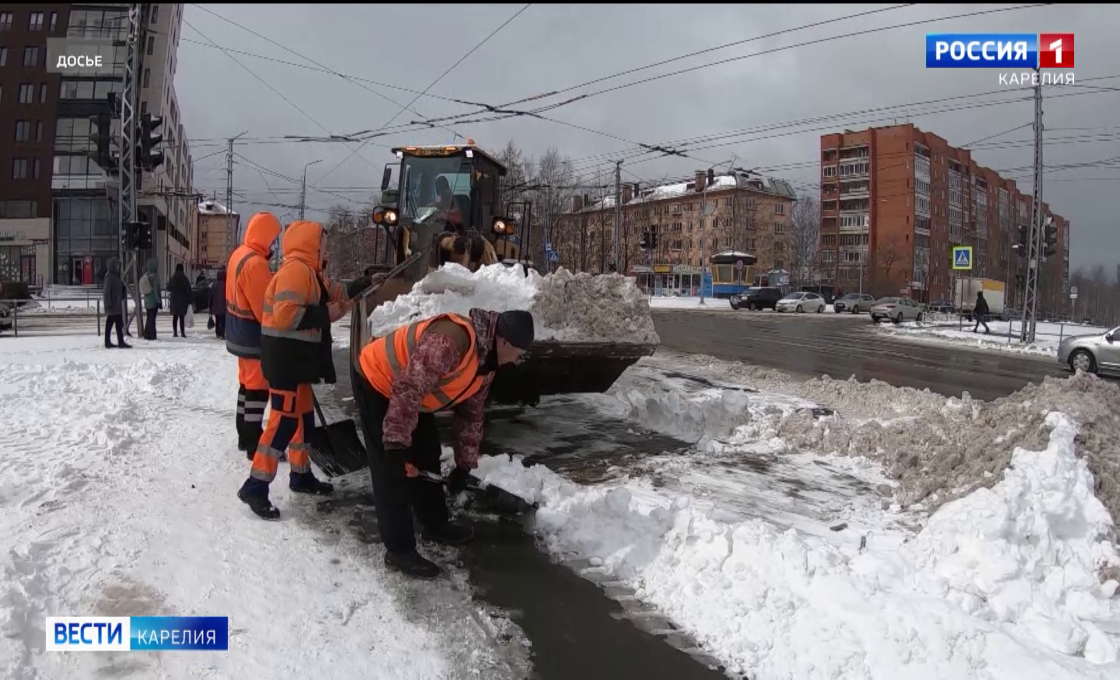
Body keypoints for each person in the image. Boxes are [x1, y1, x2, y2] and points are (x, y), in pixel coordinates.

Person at [353, 308, 535, 578]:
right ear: (505, 341)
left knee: (427, 451)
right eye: (519, 354)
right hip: (377, 379)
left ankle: (434, 523)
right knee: (391, 467)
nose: (517, 361)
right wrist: (395, 442)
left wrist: (464, 465)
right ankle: (399, 550)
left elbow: (471, 415)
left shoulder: (487, 364)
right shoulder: (451, 340)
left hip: (415, 394)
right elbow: (410, 386)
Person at [237, 220, 382, 520]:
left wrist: (365, 283)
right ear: (309, 245)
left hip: (296, 361)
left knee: (303, 418)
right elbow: (285, 315)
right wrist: (325, 314)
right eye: (323, 245)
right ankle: (255, 485)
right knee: (284, 421)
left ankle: (301, 475)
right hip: (285, 362)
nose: (326, 250)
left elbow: (336, 291)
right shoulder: (295, 272)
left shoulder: (311, 273)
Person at [226, 213, 282, 461]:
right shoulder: (255, 264)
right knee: (258, 391)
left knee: (246, 387)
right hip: (253, 337)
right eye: (272, 239)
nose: (273, 245)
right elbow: (265, 309)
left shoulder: (239, 254)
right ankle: (253, 442)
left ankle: (243, 436)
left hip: (238, 332)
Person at [101, 257, 132, 349]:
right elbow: (106, 291)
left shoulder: (115, 275)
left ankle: (111, 342)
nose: (118, 267)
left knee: (113, 323)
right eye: (117, 265)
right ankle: (119, 342)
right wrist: (108, 304)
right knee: (116, 323)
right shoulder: (110, 276)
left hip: (116, 304)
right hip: (113, 304)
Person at [167, 263, 193, 338]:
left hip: (174, 301)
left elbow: (168, 288)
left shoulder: (173, 278)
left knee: (175, 317)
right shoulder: (185, 279)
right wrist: (189, 300)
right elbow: (189, 290)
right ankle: (182, 333)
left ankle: (175, 332)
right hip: (183, 301)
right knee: (182, 318)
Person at [139, 258, 161, 340]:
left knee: (149, 318)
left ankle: (146, 333)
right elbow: (155, 290)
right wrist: (159, 301)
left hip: (147, 301)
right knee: (152, 319)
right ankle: (152, 335)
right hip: (153, 301)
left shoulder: (145, 275)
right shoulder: (155, 276)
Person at [209, 268, 227, 339]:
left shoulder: (214, 284)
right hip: (224, 306)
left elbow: (211, 296)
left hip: (216, 307)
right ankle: (222, 334)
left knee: (218, 320)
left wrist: (210, 306)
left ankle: (217, 333)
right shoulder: (226, 284)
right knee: (223, 321)